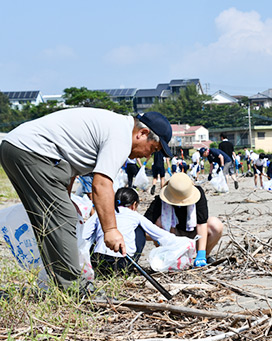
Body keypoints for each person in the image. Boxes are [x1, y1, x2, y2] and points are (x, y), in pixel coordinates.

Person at [0, 108, 173, 293]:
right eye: (153, 149)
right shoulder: (121, 137)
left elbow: (71, 164)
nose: (148, 156)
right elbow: (101, 185)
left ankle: (57, 281)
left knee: (50, 218)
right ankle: (74, 289)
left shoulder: (116, 126)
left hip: (16, 147)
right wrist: (111, 230)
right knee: (62, 217)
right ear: (142, 133)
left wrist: (65, 197)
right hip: (32, 151)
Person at [83, 187, 175, 275]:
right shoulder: (134, 215)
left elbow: (84, 234)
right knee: (140, 229)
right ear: (134, 204)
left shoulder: (101, 213)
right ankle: (130, 266)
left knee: (97, 231)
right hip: (123, 263)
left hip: (98, 262)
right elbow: (160, 234)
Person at [145, 173, 223, 267]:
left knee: (215, 225)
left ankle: (204, 256)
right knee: (159, 221)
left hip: (194, 233)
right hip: (172, 236)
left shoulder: (199, 194)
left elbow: (201, 223)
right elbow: (145, 227)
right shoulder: (160, 201)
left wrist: (201, 254)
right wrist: (159, 237)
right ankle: (170, 257)